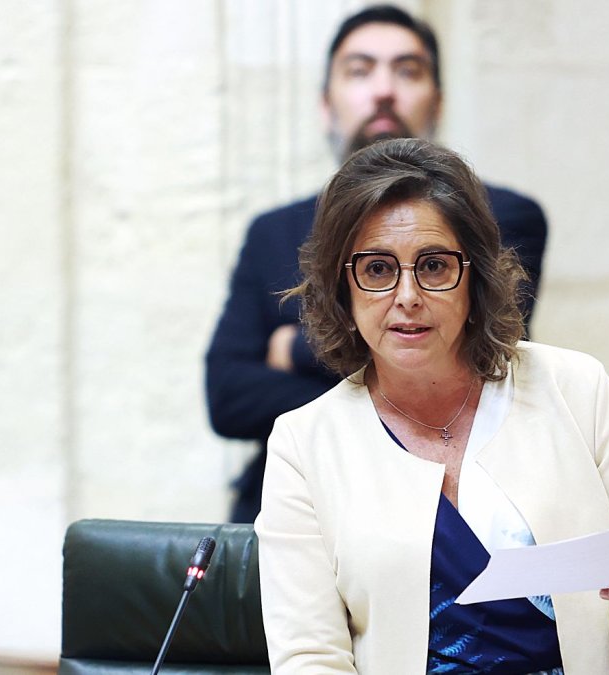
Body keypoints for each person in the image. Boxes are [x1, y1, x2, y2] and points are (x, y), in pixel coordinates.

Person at [255, 138, 609, 673]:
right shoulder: (304, 443)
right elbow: (309, 657)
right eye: (377, 270)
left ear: (475, 276)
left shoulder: (574, 387)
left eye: (434, 265)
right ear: (342, 287)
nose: (407, 296)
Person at [206, 4, 548, 523]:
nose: (384, 89)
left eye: (407, 70)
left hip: (453, 501)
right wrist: (407, 376)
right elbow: (229, 397)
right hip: (293, 507)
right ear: (327, 104)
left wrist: (295, 348)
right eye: (360, 70)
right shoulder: (273, 232)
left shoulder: (501, 217)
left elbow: (480, 356)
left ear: (437, 101)